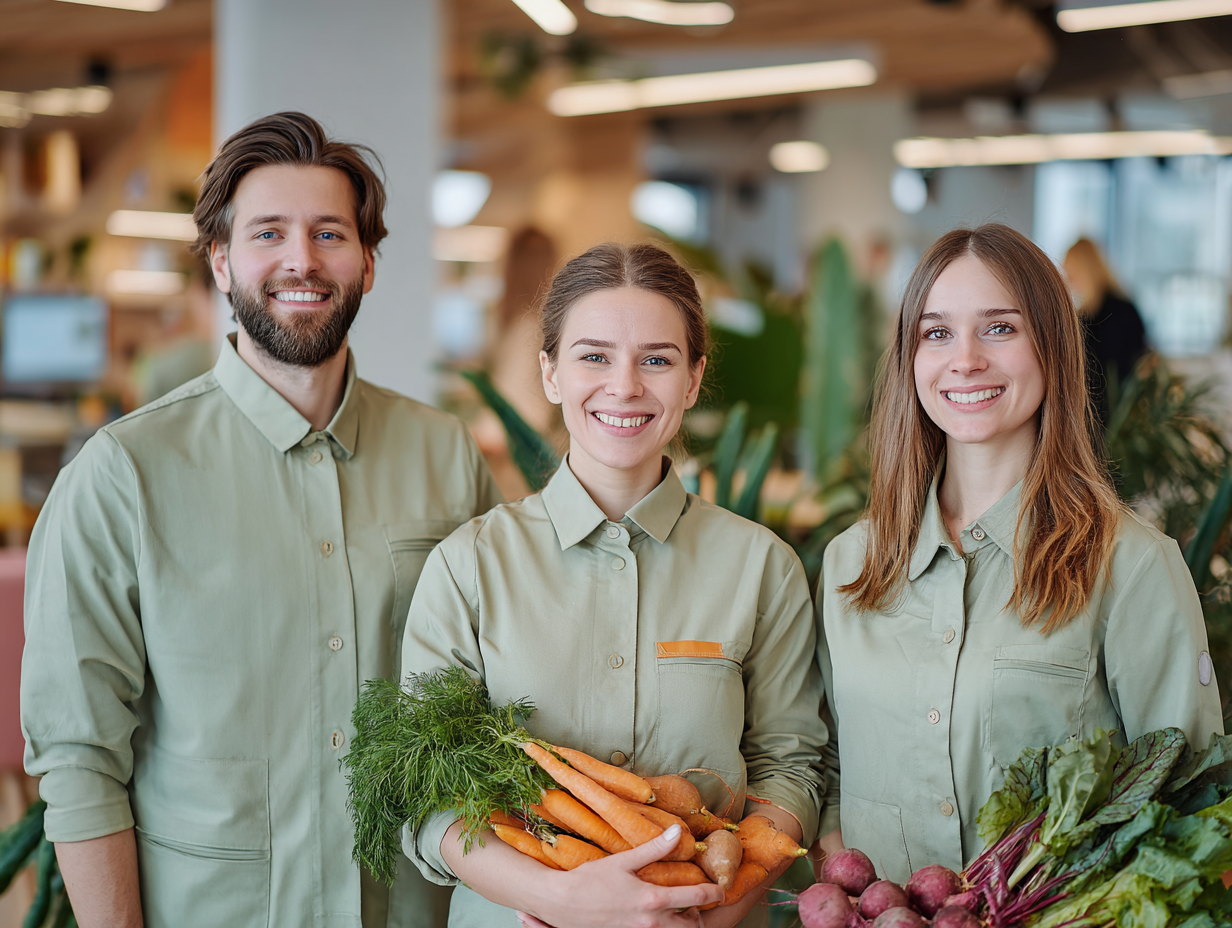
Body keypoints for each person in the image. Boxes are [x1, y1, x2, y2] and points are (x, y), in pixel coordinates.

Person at [20, 112, 502, 928]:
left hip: (416, 909)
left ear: (369, 263)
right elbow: (78, 758)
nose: (301, 260)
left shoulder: (446, 456)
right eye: (268, 232)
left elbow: (497, 700)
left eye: (330, 233)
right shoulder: (123, 474)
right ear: (221, 262)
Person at [401, 242, 827, 928]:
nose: (625, 385)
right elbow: (429, 796)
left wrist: (696, 912)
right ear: (550, 374)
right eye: (594, 356)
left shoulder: (761, 567)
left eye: (656, 359)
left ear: (692, 381)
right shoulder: (469, 565)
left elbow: (791, 768)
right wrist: (557, 898)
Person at [814, 223, 1222, 883]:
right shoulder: (850, 564)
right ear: (910, 357)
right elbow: (827, 769)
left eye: (1000, 328)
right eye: (937, 332)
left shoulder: (1132, 566)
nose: (965, 359)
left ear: (1053, 347)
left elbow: (1188, 814)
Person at [1063, 237, 1147, 422]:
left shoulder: (1120, 312)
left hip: (1119, 417)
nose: (1069, 281)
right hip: (1097, 414)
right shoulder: (1084, 315)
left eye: (1072, 273)